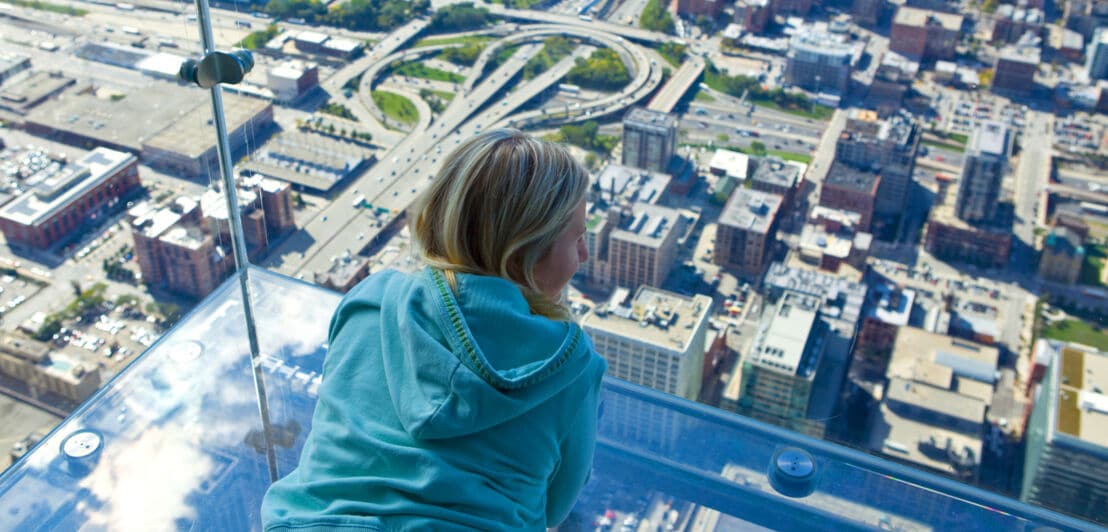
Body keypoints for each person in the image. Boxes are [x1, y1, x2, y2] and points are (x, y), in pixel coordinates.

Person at [262, 129, 607, 531]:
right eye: (578, 237)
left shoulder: (370, 302)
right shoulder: (568, 364)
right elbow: (555, 506)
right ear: (525, 250)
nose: (583, 254)